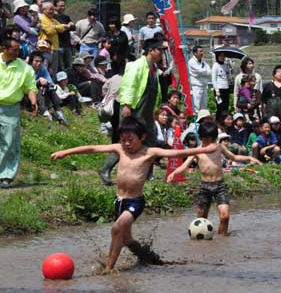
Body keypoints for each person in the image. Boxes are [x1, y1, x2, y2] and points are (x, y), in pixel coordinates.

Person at [51, 116, 219, 273]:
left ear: (142, 137)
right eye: (123, 139)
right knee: (125, 238)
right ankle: (147, 256)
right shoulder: (120, 149)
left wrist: (203, 149)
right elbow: (94, 148)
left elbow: (176, 153)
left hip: (135, 202)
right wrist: (66, 152)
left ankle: (109, 268)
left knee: (117, 228)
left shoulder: (149, 152)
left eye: (130, 139)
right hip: (119, 201)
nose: (126, 143)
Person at [167, 122, 261, 235]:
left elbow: (234, 157)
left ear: (215, 138)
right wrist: (174, 173)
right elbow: (184, 165)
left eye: (212, 140)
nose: (209, 143)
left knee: (225, 216)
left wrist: (250, 158)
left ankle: (222, 238)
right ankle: (201, 238)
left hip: (219, 186)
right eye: (206, 140)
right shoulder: (197, 151)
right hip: (204, 187)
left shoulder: (219, 147)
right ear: (201, 138)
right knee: (201, 218)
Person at [0, 37, 38, 188]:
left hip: (11, 109)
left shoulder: (25, 68)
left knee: (9, 143)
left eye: (18, 49)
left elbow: (30, 86)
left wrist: (33, 100)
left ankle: (6, 176)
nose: (18, 52)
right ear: (5, 49)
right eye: (14, 49)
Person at [120, 38, 166, 146]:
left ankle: (145, 163)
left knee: (149, 140)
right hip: (136, 109)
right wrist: (127, 105)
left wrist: (156, 108)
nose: (162, 54)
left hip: (147, 112)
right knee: (127, 141)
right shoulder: (137, 65)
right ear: (151, 50)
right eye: (160, 50)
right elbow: (129, 85)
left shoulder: (154, 68)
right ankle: (111, 163)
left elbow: (156, 91)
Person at [28, 51, 66, 124]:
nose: (38, 63)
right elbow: (26, 84)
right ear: (31, 61)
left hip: (41, 90)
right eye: (36, 61)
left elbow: (50, 82)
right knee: (41, 87)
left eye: (40, 61)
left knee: (49, 89)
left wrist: (46, 84)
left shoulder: (43, 69)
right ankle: (45, 112)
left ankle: (59, 113)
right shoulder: (27, 69)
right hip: (28, 93)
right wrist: (38, 81)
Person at [40, 2, 73, 77]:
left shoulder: (52, 19)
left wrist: (55, 27)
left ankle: (52, 85)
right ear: (43, 10)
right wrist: (56, 27)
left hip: (54, 48)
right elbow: (49, 31)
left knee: (54, 70)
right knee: (45, 69)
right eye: (49, 9)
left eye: (52, 9)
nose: (51, 11)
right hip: (46, 49)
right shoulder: (42, 19)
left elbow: (62, 29)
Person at [53, 0, 76, 71]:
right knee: (60, 67)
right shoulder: (53, 17)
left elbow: (73, 28)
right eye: (60, 6)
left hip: (67, 45)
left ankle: (69, 81)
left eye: (64, 6)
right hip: (58, 45)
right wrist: (67, 26)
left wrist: (67, 26)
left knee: (69, 66)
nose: (63, 7)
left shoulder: (66, 17)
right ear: (55, 7)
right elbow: (58, 29)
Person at [188, 45, 212, 112]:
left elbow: (209, 72)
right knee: (196, 108)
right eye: (200, 51)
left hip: (204, 87)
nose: (202, 53)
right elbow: (200, 71)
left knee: (204, 108)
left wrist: (206, 72)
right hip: (196, 88)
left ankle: (202, 122)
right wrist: (206, 71)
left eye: (202, 51)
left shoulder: (203, 61)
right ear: (195, 53)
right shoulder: (191, 62)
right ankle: (195, 122)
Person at [212, 52, 231, 117]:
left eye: (224, 56)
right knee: (220, 107)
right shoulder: (215, 65)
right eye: (221, 56)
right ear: (217, 57)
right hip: (219, 89)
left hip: (226, 88)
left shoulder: (226, 65)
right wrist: (216, 90)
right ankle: (218, 121)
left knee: (226, 106)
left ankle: (225, 121)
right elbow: (214, 79)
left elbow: (228, 76)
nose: (222, 57)